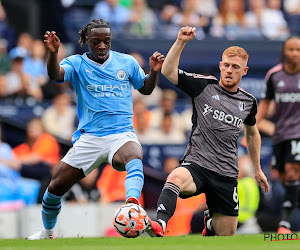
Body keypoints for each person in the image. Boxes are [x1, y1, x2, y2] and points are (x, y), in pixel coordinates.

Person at [26, 19, 164, 240]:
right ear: (86, 41)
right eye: (96, 41)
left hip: (121, 134)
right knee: (54, 189)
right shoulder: (77, 63)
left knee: (134, 156)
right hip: (89, 138)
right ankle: (47, 233)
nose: (102, 46)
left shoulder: (126, 62)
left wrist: (154, 72)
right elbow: (56, 75)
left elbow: (145, 88)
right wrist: (53, 53)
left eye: (106, 41)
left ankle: (132, 205)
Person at [145, 26, 269, 237]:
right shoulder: (204, 86)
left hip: (227, 174)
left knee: (226, 236)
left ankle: (211, 225)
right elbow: (167, 71)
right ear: (220, 66)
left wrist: (257, 169)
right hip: (198, 165)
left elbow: (252, 133)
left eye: (235, 67)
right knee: (174, 177)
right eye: (227, 65)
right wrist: (180, 41)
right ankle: (161, 225)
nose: (229, 70)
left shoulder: (248, 102)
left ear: (244, 71)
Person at [256, 36, 300, 234]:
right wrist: (253, 127)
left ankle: (286, 223)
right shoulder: (274, 75)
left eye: (298, 50)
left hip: (297, 133)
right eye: (291, 50)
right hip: (280, 134)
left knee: (292, 172)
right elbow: (265, 102)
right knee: (283, 178)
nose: (295, 54)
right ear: (284, 52)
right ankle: (292, 207)